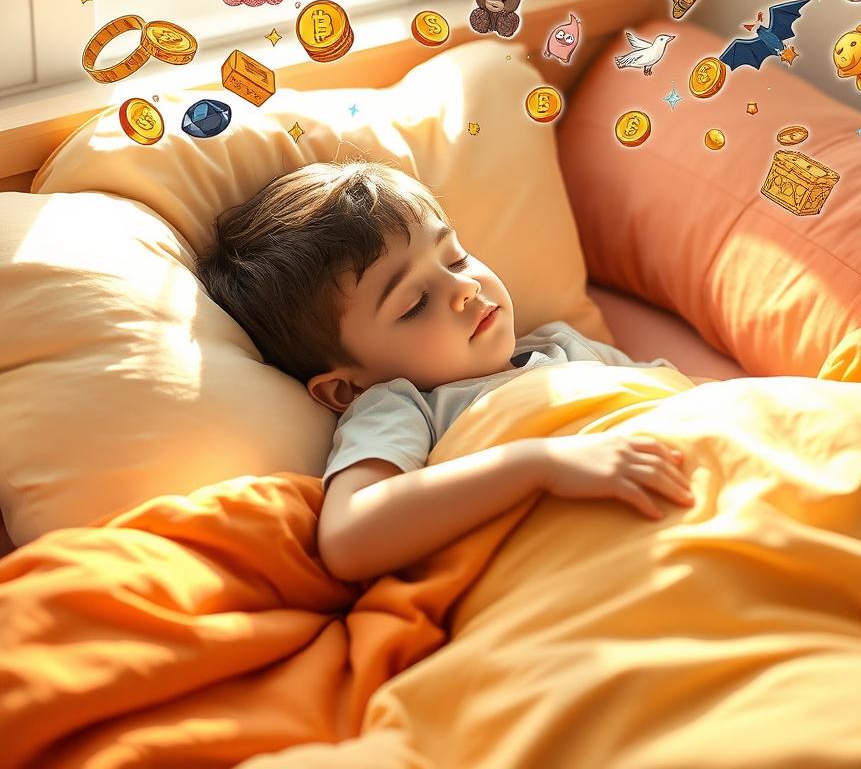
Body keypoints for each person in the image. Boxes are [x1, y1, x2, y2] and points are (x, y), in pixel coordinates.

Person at [196, 160, 695, 582]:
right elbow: (349, 538)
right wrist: (541, 466)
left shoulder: (565, 345)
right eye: (413, 304)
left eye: (455, 259)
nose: (465, 288)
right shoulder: (404, 406)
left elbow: (687, 398)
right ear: (346, 386)